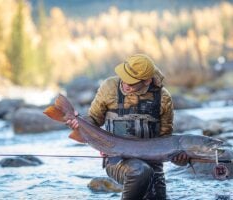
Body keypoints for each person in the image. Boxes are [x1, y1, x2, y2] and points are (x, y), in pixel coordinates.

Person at [67, 54, 189, 200]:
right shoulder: (109, 87)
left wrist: (180, 159)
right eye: (124, 77)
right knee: (140, 171)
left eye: (131, 82)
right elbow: (93, 119)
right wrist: (78, 123)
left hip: (154, 165)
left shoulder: (163, 98)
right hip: (117, 160)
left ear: (147, 81)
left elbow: (165, 141)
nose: (125, 83)